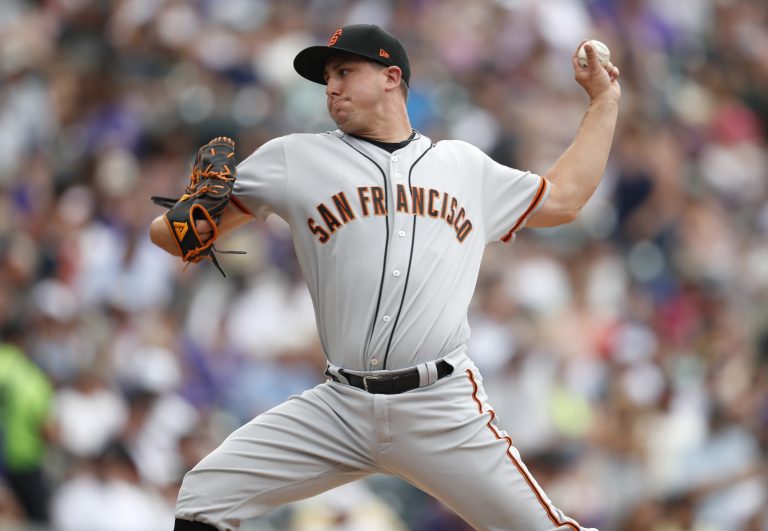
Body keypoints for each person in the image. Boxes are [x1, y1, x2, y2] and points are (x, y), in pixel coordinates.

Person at [150, 23, 620, 531]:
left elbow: (566, 198)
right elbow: (171, 236)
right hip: (340, 405)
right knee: (205, 495)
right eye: (327, 77)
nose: (331, 87)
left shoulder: (462, 165)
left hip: (439, 406)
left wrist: (604, 101)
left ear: (392, 76)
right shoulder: (295, 158)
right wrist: (195, 208)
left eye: (345, 71)